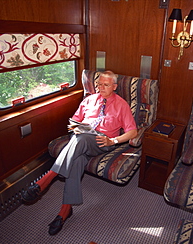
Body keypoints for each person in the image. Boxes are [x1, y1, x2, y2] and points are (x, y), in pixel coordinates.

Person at [21, 71, 137, 235]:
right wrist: (76, 127)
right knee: (77, 159)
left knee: (81, 138)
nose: (101, 87)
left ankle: (47, 178)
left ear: (115, 87)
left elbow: (132, 132)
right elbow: (74, 121)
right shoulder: (88, 100)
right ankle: (65, 211)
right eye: (99, 84)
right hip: (81, 139)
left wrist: (113, 141)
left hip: (103, 141)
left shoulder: (122, 105)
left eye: (106, 85)